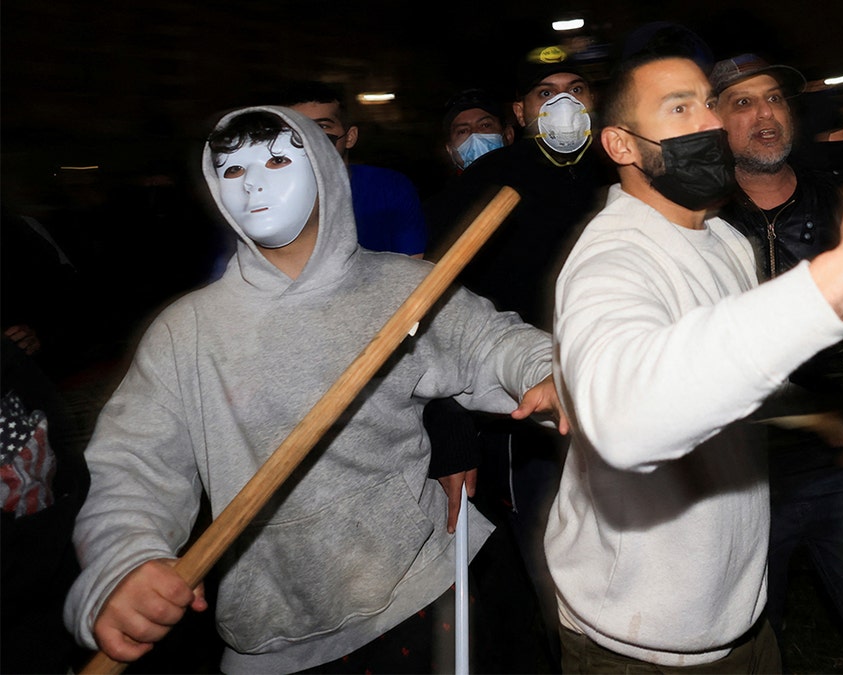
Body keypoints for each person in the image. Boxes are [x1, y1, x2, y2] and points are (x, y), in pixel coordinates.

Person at [63, 105, 567, 674]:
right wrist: (123, 563)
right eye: (232, 170)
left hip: (433, 588)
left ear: (326, 170)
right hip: (274, 638)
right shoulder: (186, 333)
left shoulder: (404, 289)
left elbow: (493, 343)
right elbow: (133, 466)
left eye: (278, 159)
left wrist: (550, 372)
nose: (254, 181)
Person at [544, 31, 843, 671]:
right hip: (637, 645)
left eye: (708, 104)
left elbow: (727, 374)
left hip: (738, 624)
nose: (712, 122)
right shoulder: (612, 256)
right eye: (679, 108)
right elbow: (623, 418)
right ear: (621, 145)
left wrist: (825, 420)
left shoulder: (723, 239)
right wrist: (841, 278)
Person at [710, 52, 843, 673]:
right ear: (715, 121)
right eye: (743, 103)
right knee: (750, 650)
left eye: (774, 99)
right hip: (741, 480)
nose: (765, 115)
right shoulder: (701, 229)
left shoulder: (842, 212)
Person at [421, 43, 618, 666]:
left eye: (576, 89)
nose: (562, 103)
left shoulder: (620, 178)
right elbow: (438, 308)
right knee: (545, 552)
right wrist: (448, 417)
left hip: (617, 389)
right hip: (522, 412)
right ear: (522, 110)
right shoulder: (487, 182)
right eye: (544, 93)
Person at [282, 80, 428, 257]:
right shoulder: (274, 194)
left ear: (350, 137)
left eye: (322, 126)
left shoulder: (390, 188)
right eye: (298, 128)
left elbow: (415, 265)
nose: (310, 136)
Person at [441, 86, 515, 175]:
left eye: (485, 125)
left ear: (508, 134)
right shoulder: (452, 189)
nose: (475, 136)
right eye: (463, 131)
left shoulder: (531, 180)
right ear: (450, 150)